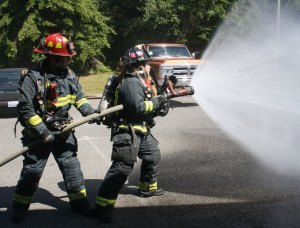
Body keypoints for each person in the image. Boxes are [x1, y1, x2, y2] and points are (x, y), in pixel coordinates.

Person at [11, 33, 97, 223]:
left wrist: (88, 111)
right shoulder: (33, 78)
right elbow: (26, 109)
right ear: (53, 58)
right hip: (39, 135)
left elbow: (79, 97)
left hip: (64, 131)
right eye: (65, 58)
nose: (68, 61)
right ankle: (19, 206)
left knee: (71, 167)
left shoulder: (70, 75)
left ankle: (79, 203)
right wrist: (43, 131)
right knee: (32, 171)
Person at [95, 45, 168, 223]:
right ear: (139, 65)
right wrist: (158, 103)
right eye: (146, 63)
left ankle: (147, 188)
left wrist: (161, 103)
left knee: (152, 155)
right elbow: (138, 107)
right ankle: (103, 206)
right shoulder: (131, 82)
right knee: (122, 168)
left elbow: (148, 106)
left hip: (141, 129)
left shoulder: (140, 81)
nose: (149, 67)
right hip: (127, 131)